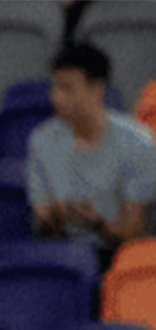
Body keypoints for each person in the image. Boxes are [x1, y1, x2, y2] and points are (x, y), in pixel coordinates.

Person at [29, 42, 156, 252]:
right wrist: (54, 216)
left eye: (67, 89)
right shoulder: (42, 140)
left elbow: (134, 234)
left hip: (116, 254)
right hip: (64, 253)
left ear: (97, 89)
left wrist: (96, 221)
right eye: (55, 87)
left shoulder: (138, 141)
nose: (56, 98)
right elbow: (42, 221)